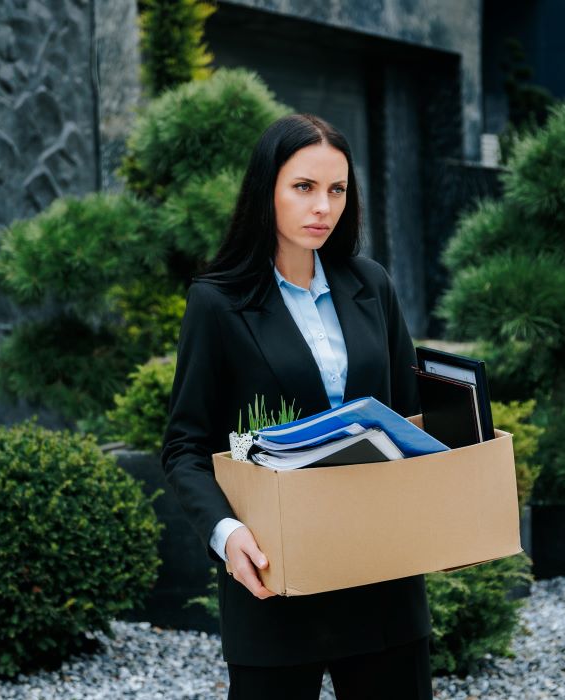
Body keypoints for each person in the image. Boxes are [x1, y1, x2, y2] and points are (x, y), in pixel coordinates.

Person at [161, 113, 432, 700]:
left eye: (337, 190)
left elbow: (413, 419)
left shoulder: (372, 286)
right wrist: (227, 534)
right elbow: (186, 447)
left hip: (381, 573)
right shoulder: (217, 303)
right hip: (274, 574)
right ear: (267, 191)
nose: (323, 207)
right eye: (304, 187)